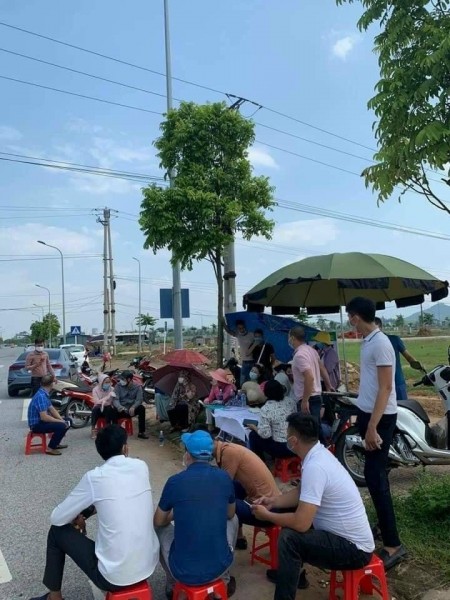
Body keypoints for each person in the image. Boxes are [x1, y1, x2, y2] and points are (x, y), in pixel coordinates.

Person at [251, 414, 374, 600]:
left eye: (287, 435)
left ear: (294, 441)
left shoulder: (316, 466)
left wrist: (267, 516)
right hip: (342, 537)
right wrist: (273, 502)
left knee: (289, 539)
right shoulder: (317, 454)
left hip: (354, 550)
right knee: (286, 514)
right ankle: (291, 573)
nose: (286, 438)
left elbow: (301, 523)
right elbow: (301, 492)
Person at [29, 425, 159, 600]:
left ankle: (54, 598)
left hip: (114, 578)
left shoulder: (95, 477)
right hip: (148, 567)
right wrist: (85, 514)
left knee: (56, 532)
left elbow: (57, 518)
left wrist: (76, 516)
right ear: (125, 448)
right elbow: (117, 498)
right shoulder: (141, 466)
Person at [346, 297, 405, 569]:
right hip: (369, 414)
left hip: (380, 419)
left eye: (350, 316)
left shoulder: (381, 343)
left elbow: (386, 388)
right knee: (373, 476)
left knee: (375, 477)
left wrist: (372, 426)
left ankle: (394, 544)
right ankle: (382, 527)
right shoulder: (368, 342)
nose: (350, 321)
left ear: (356, 317)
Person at [154, 431, 239, 599]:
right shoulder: (224, 477)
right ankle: (225, 579)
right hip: (219, 567)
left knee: (157, 527)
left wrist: (176, 513)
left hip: (184, 572)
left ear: (187, 455)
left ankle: (172, 584)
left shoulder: (175, 481)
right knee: (234, 519)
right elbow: (230, 513)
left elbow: (159, 520)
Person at [212, 435, 281, 550]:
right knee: (234, 488)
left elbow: (222, 489)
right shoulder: (228, 448)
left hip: (267, 511)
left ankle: (224, 544)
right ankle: (239, 538)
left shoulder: (229, 453)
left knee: (223, 503)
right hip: (272, 503)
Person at [288, 326, 332, 425]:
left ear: (293, 338)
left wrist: (305, 400)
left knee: (307, 429)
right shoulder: (312, 350)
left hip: (308, 397)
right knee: (315, 427)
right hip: (316, 396)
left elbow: (309, 377)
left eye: (289, 337)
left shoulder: (299, 355)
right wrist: (328, 385)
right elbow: (322, 369)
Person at [374, 317, 423, 400]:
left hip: (396, 382)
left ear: (380, 327)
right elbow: (409, 357)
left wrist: (418, 366)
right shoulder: (368, 343)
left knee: (402, 406)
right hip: (380, 384)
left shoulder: (394, 339)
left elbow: (409, 358)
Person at [248, 380, 297, 460]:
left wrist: (254, 427)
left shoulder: (266, 408)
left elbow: (265, 434)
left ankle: (260, 462)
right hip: (294, 443)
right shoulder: (291, 401)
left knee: (253, 435)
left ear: (266, 393)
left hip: (281, 448)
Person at [27, 374, 70, 456]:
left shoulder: (44, 393)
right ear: (51, 384)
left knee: (68, 421)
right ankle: (50, 448)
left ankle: (56, 443)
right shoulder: (41, 396)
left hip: (42, 422)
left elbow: (52, 409)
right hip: (36, 425)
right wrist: (60, 421)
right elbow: (44, 417)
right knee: (61, 426)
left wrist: (61, 419)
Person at [111, 370, 148, 439]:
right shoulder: (118, 386)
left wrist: (134, 406)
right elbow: (115, 399)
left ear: (129, 380)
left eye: (123, 379)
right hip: (121, 409)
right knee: (113, 410)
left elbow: (139, 400)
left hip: (131, 410)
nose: (121, 381)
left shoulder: (137, 387)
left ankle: (141, 432)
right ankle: (115, 432)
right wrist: (119, 407)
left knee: (141, 408)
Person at [223, 318, 255, 384]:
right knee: (242, 382)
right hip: (244, 362)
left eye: (243, 328)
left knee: (251, 381)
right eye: (239, 328)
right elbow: (228, 331)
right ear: (237, 329)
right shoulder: (238, 335)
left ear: (245, 327)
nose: (242, 329)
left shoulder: (252, 334)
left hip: (253, 361)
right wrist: (223, 323)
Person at [91, 373, 115, 439]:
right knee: (96, 409)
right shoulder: (95, 390)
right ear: (101, 382)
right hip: (99, 410)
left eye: (109, 382)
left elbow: (111, 402)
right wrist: (107, 397)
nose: (108, 384)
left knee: (109, 408)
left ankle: (107, 429)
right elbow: (96, 402)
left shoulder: (112, 389)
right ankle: (93, 429)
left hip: (108, 410)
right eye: (106, 382)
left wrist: (103, 402)